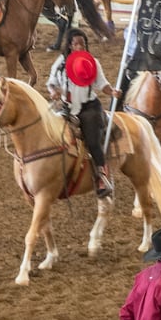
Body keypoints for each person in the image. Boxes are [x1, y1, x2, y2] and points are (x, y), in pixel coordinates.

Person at [48, 30, 113, 198]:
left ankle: (101, 175)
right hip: (67, 107)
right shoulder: (61, 63)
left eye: (82, 44)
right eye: (76, 44)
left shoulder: (93, 63)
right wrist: (54, 91)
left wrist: (112, 91)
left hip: (89, 107)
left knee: (92, 140)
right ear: (70, 45)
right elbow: (52, 82)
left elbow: (102, 84)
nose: (79, 47)